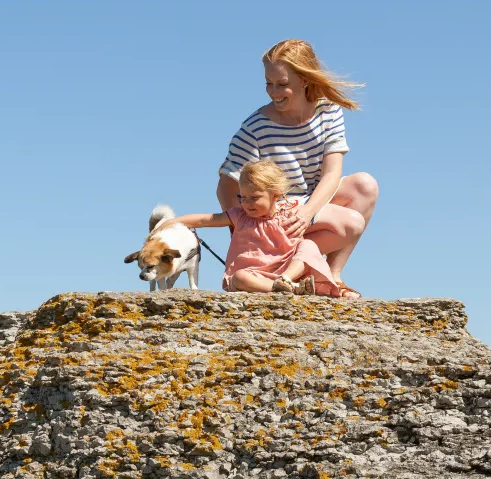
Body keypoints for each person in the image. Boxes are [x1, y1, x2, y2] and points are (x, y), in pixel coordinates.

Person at [215, 39, 378, 299]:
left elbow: (332, 174)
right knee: (351, 223)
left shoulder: (329, 111)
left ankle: (331, 276)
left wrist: (307, 214)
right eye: (268, 83)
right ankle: (293, 264)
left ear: (304, 79)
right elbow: (226, 185)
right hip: (277, 213)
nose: (273, 91)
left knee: (365, 185)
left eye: (282, 84)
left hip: (310, 206)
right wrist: (244, 234)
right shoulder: (255, 127)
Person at [159, 160, 346, 296]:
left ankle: (286, 281)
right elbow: (203, 220)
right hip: (253, 276)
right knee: (239, 277)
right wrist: (171, 223)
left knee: (309, 246)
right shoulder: (239, 216)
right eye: (243, 197)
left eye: (254, 197)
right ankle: (285, 289)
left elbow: (328, 233)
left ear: (276, 195)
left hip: (285, 271)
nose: (247, 203)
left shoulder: (289, 216)